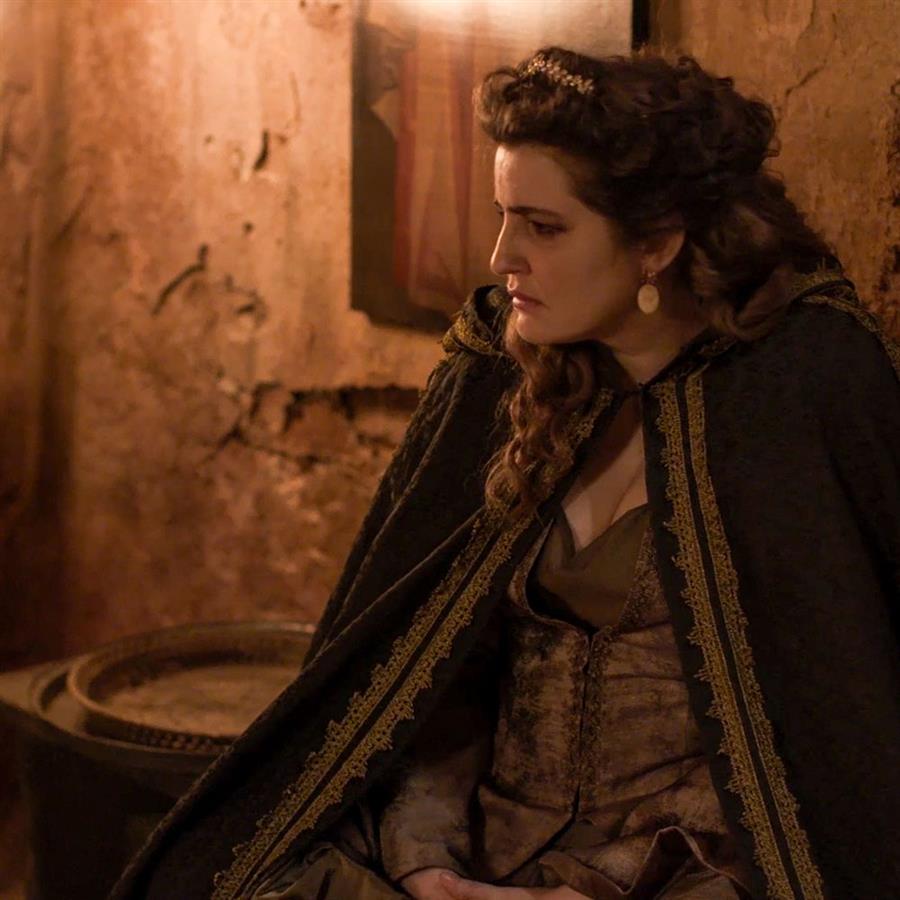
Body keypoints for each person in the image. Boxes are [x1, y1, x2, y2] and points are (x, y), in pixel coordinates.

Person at [109, 47, 900, 900]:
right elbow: (425, 679)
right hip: (457, 844)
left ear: (657, 243)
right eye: (501, 216)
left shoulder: (797, 391)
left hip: (679, 872)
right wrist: (427, 863)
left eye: (543, 227)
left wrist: (588, 892)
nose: (501, 258)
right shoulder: (499, 366)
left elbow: (810, 743)